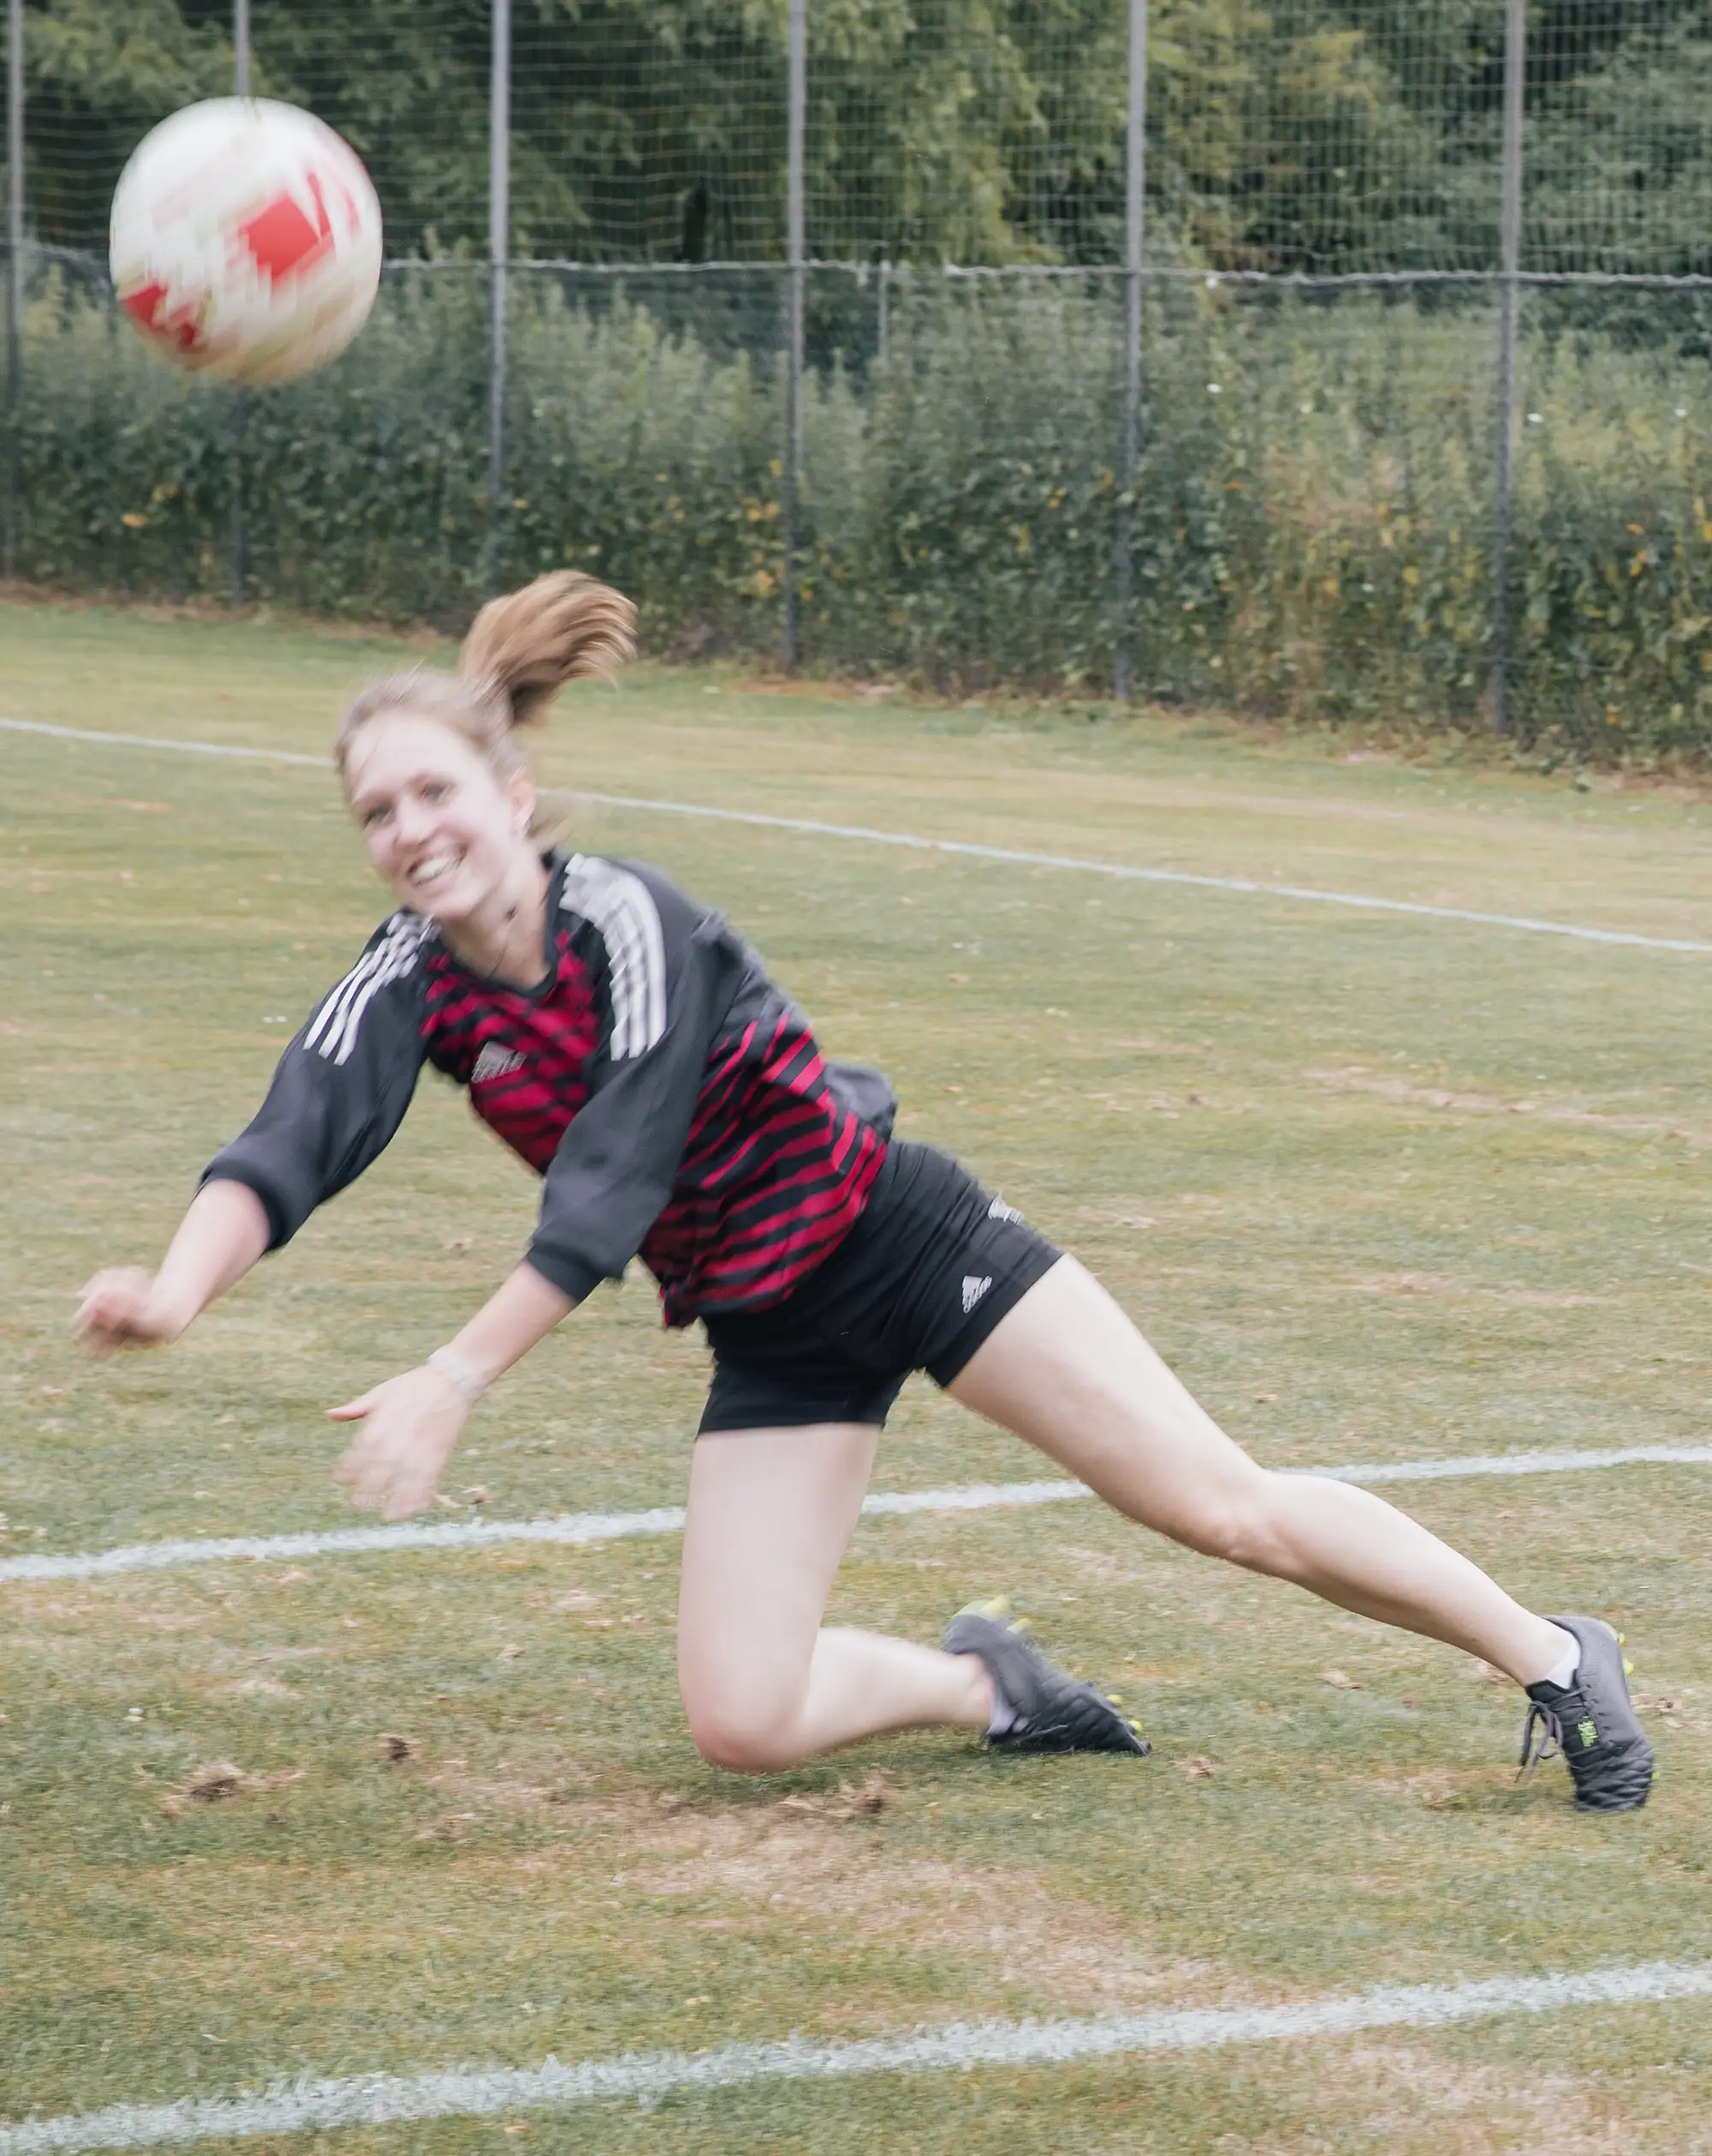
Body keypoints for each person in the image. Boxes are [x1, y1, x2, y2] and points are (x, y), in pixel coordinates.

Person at [76, 573, 1652, 1814]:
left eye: (432, 794)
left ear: (512, 788)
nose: (409, 833)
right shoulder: (414, 979)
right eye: (376, 813)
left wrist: (456, 1369)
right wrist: (175, 1284)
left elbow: (612, 1180)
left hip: (907, 1242)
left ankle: (1553, 1653)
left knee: (1220, 1507)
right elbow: (296, 1130)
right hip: (776, 1328)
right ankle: (997, 1689)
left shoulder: (634, 922)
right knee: (742, 1719)